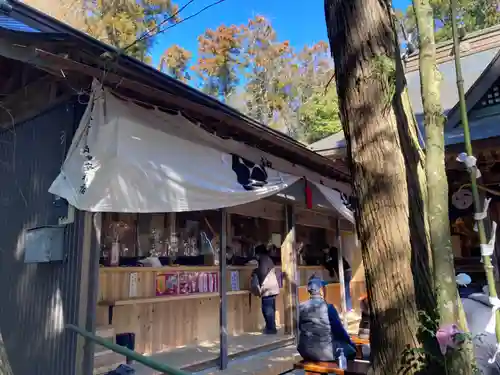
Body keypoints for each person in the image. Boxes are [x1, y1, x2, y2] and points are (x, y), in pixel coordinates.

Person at [297, 277, 356, 362]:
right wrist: (350, 343)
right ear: (321, 291)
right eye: (325, 288)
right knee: (351, 351)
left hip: (304, 350)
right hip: (325, 352)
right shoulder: (328, 307)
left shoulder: (301, 306)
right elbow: (339, 331)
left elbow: (300, 327)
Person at [254, 244, 280, 334]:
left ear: (258, 253)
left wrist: (255, 271)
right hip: (272, 287)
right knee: (270, 308)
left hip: (268, 288)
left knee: (267, 309)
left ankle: (271, 328)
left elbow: (263, 271)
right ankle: (271, 327)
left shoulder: (263, 259)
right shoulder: (268, 258)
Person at [322, 246, 353, 311]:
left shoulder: (333, 251)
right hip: (341, 271)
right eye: (323, 250)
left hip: (345, 270)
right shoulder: (327, 256)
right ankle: (347, 307)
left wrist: (328, 263)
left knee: (345, 289)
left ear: (327, 248)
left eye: (325, 249)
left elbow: (334, 261)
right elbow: (329, 264)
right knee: (344, 289)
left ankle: (348, 308)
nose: (325, 251)